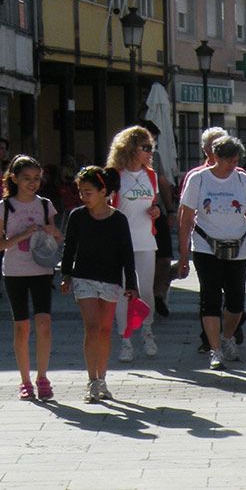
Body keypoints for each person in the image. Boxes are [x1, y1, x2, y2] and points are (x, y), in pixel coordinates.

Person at [178, 135, 246, 370]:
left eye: (235, 161)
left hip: (238, 246)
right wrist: (183, 255)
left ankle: (228, 337)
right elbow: (185, 219)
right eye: (228, 161)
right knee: (210, 298)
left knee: (236, 302)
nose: (232, 165)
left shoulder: (242, 180)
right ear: (215, 157)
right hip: (206, 246)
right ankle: (215, 350)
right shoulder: (199, 179)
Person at [59, 166, 137, 402]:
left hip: (111, 279)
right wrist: (66, 274)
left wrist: (131, 284)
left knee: (104, 330)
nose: (83, 196)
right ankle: (92, 381)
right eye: (81, 192)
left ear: (103, 191)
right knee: (92, 328)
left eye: (88, 191)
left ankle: (102, 379)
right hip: (84, 277)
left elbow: (127, 254)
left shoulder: (119, 220)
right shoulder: (77, 216)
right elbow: (69, 247)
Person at [1, 156, 63, 400]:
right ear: (14, 179)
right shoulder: (4, 207)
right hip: (15, 271)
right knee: (21, 326)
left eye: (36, 178)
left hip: (41, 270)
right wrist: (23, 234)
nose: (32, 183)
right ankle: (25, 381)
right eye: (26, 178)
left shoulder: (46, 205)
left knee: (44, 324)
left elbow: (57, 238)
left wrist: (54, 233)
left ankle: (43, 376)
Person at [106, 125, 162, 364]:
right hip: (119, 242)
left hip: (145, 240)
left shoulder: (151, 175)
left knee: (146, 290)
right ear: (130, 148)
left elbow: (155, 204)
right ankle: (125, 339)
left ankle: (147, 331)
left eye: (152, 147)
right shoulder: (114, 175)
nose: (151, 152)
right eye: (146, 147)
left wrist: (157, 211)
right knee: (122, 292)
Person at [137, 119, 176, 319]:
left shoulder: (156, 157)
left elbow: (163, 183)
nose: (151, 146)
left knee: (165, 256)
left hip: (155, 211)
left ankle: (157, 293)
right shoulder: (121, 160)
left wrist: (170, 210)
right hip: (133, 216)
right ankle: (139, 298)